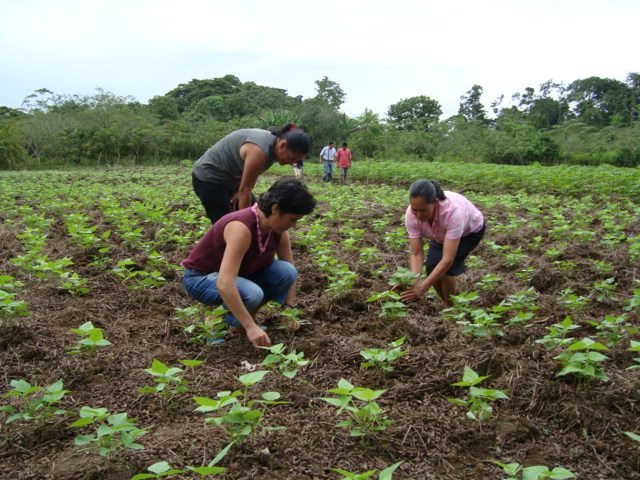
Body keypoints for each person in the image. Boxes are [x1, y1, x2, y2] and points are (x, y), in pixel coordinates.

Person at [182, 177, 317, 347]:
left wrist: (288, 309)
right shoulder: (241, 228)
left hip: (238, 277)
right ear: (275, 209)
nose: (294, 225)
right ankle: (215, 322)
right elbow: (224, 283)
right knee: (252, 293)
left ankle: (242, 320)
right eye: (292, 219)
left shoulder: (278, 231)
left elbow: (291, 272)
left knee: (287, 272)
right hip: (201, 278)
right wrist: (250, 327)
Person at [191, 124, 309, 224]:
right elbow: (245, 191)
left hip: (231, 181)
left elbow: (244, 186)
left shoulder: (274, 146)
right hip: (209, 178)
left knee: (258, 213)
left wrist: (239, 190)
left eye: (294, 161)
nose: (290, 163)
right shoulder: (259, 150)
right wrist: (246, 227)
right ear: (282, 145)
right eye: (290, 158)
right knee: (227, 224)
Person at [399, 180, 485, 307]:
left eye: (423, 210)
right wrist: (413, 281)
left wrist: (422, 288)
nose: (418, 214)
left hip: (469, 232)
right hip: (441, 233)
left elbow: (447, 259)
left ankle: (452, 310)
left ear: (435, 202)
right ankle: (450, 306)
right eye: (414, 209)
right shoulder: (411, 215)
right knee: (431, 268)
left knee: (446, 271)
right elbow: (416, 253)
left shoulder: (452, 213)